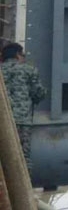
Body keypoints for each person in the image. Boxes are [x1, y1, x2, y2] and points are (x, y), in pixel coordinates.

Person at [0, 42, 46, 173]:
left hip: (2, 121)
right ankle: (24, 184)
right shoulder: (28, 70)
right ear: (17, 55)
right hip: (22, 121)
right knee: (22, 159)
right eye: (23, 55)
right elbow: (39, 94)